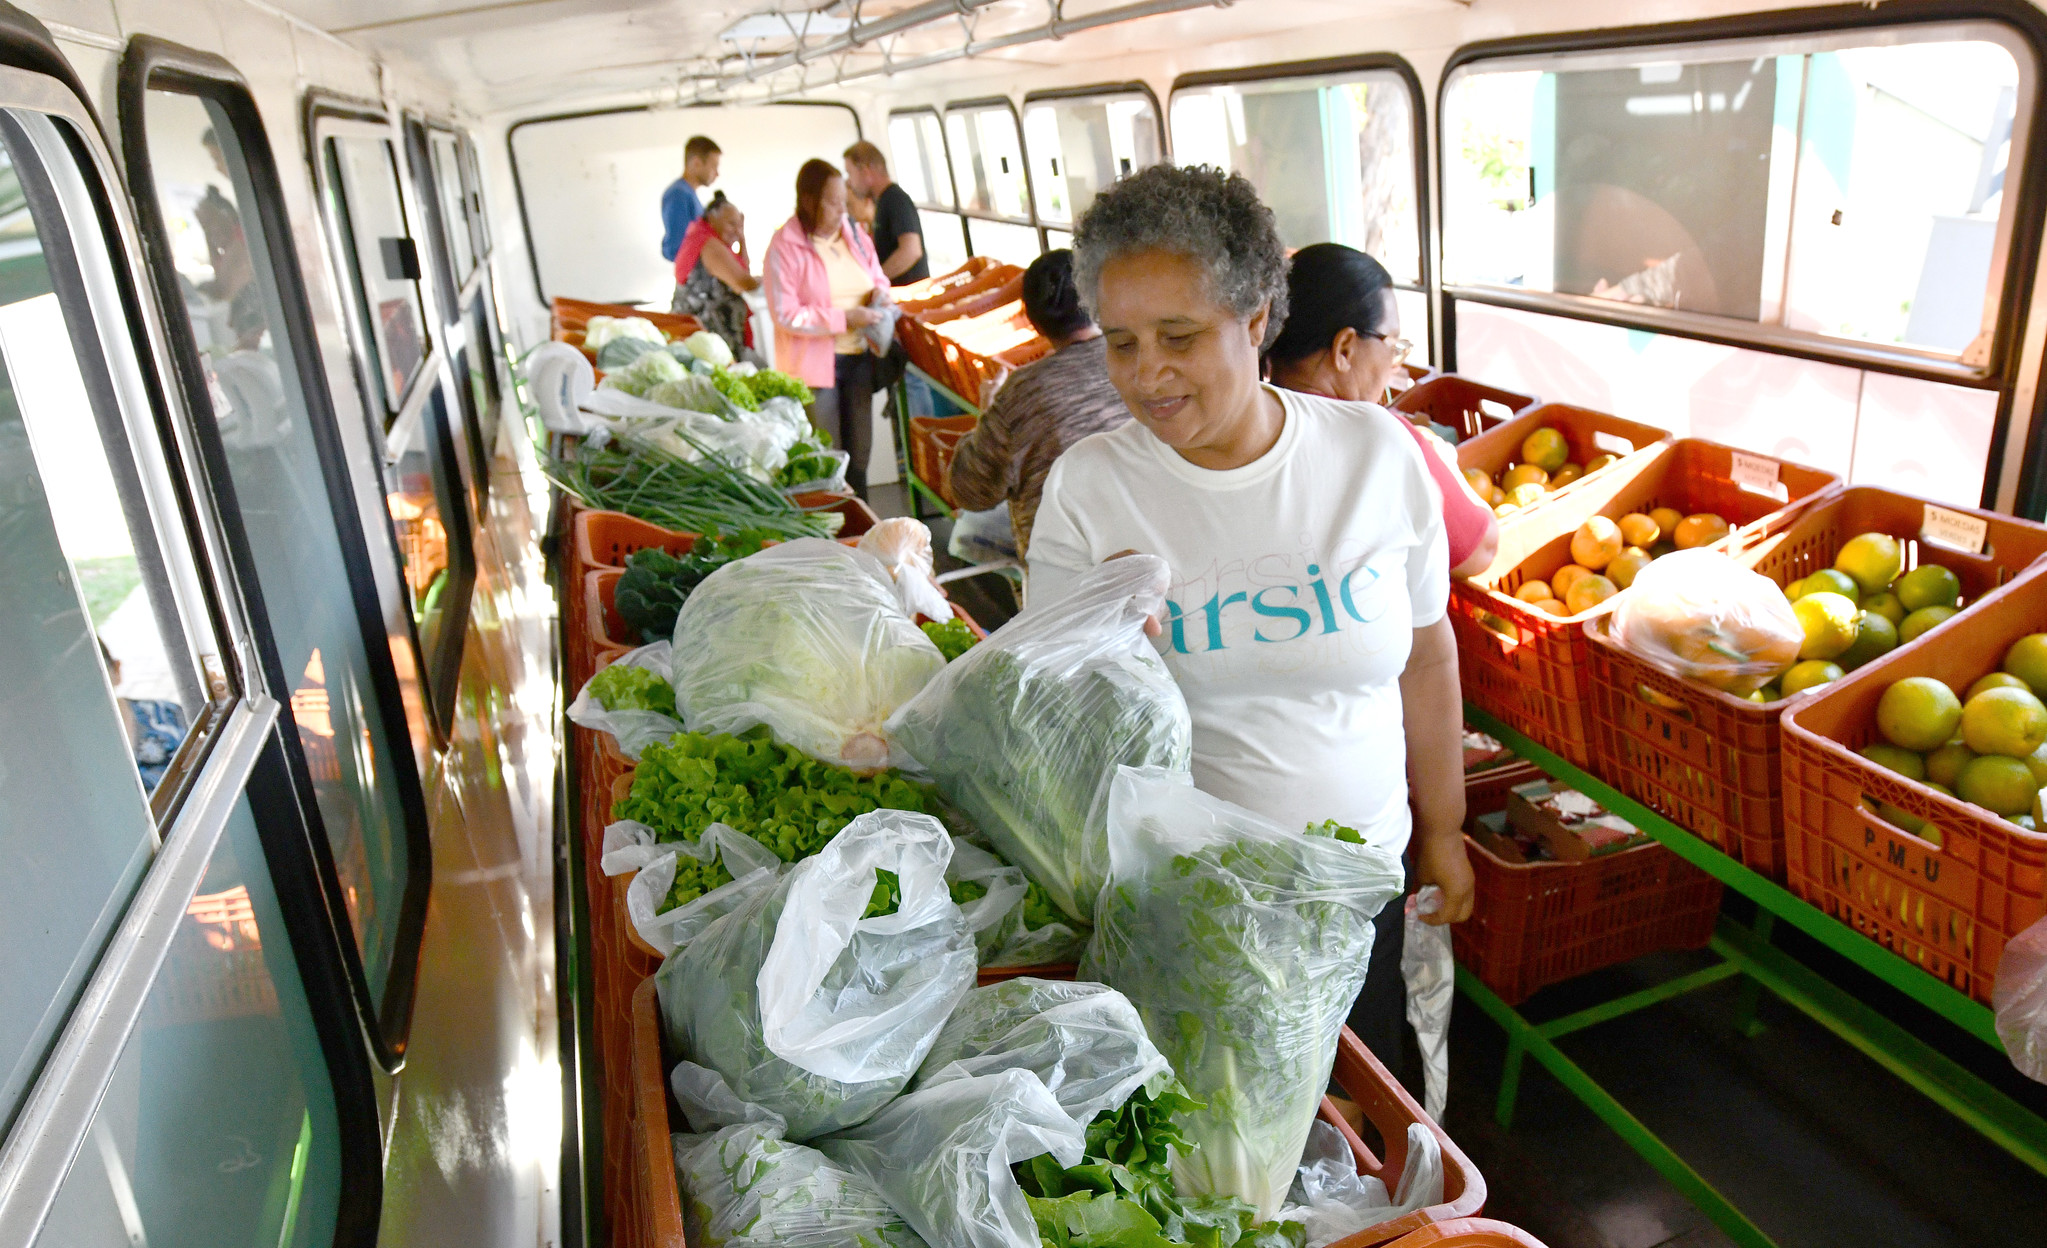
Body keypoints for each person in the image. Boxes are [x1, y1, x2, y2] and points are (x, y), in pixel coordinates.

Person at [1025, 165, 1475, 1073]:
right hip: (1187, 900)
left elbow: (1427, 657)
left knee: (1355, 1115)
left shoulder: (1375, 453)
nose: (1146, 374)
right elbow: (1045, 728)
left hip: (1361, 886)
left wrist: (1442, 831)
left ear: (1258, 319)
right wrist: (1096, 637)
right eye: (1120, 343)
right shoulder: (1090, 489)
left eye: (1179, 337)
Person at [1266, 243, 1500, 577]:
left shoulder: (1247, 423)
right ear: (1344, 349)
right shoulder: (1381, 437)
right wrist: (1448, 467)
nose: (1393, 364)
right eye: (1391, 345)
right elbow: (1480, 550)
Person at [946, 249, 1128, 562]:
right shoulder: (1137, 362)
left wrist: (987, 412)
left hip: (1064, 575)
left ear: (1034, 323)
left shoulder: (1020, 394)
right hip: (1152, 554)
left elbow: (970, 491)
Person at [764, 158, 890, 496]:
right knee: (830, 454)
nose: (841, 211)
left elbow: (878, 277)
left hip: (858, 356)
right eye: (832, 203)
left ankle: (864, 518)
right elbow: (786, 313)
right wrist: (844, 319)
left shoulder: (855, 235)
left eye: (843, 201)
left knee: (860, 450)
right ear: (809, 201)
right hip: (816, 368)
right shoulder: (785, 246)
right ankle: (837, 525)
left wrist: (880, 292)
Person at [672, 190, 760, 364]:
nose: (736, 230)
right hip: (710, 338)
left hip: (710, 336)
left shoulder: (707, 239)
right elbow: (743, 282)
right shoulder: (710, 245)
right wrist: (764, 279)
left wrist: (742, 239)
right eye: (731, 224)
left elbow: (743, 270)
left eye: (739, 225)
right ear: (712, 219)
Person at [842, 140, 929, 285]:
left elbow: (911, 251)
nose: (850, 182)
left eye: (850, 173)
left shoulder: (895, 199)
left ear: (865, 171)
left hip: (910, 292)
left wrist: (875, 281)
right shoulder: (881, 202)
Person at [659, 135, 722, 267]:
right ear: (696, 163)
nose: (717, 173)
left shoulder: (688, 194)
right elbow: (677, 247)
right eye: (714, 166)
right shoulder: (678, 194)